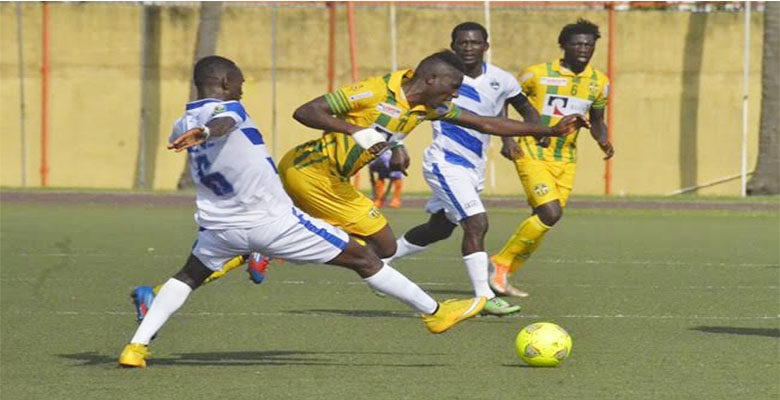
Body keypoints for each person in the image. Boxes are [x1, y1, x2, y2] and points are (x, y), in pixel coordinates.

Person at [118, 55, 490, 368]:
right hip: (272, 220)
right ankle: (435, 312)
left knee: (187, 277)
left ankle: (136, 347)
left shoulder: (182, 122)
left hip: (219, 227)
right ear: (227, 82)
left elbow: (214, 127)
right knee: (364, 257)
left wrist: (199, 132)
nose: (244, 89)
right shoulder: (227, 109)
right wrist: (208, 131)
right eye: (242, 83)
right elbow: (225, 121)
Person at [277, 50, 587, 272]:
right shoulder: (375, 91)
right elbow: (305, 111)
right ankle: (270, 249)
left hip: (330, 179)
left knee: (378, 247)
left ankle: (267, 250)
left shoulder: (426, 108)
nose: (453, 96)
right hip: (311, 170)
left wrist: (550, 129)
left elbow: (486, 123)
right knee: (381, 248)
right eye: (452, 88)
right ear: (431, 79)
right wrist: (355, 130)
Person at [383, 22, 543, 315]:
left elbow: (523, 109)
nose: (468, 48)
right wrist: (396, 146)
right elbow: (406, 109)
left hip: (473, 167)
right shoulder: (443, 80)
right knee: (476, 222)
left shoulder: (501, 80)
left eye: (474, 43)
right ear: (453, 46)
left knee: (439, 229)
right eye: (462, 43)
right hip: (445, 163)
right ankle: (484, 297)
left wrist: (538, 130)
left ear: (486, 46)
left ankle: (381, 261)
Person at [490, 19, 615, 297]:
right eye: (577, 43)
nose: (583, 48)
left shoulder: (600, 83)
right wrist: (507, 139)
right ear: (564, 46)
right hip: (532, 150)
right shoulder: (536, 74)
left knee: (545, 219)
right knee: (550, 212)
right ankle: (500, 262)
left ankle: (504, 275)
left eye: (589, 44)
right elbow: (503, 102)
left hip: (566, 158)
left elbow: (597, 120)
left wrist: (603, 140)